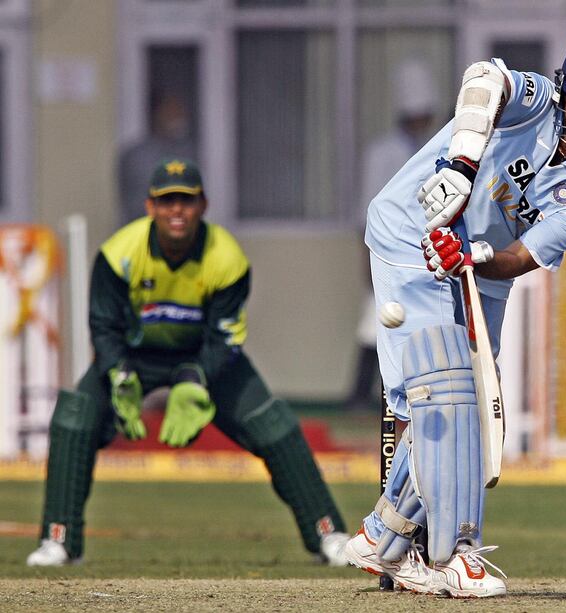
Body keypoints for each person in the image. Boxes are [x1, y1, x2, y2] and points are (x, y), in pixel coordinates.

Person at [343, 36, 566, 597]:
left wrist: (476, 256)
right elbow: (484, 77)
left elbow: (520, 258)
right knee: (448, 387)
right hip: (412, 233)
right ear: (564, 92)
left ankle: (382, 536)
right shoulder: (534, 100)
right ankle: (456, 552)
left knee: (474, 402)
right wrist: (461, 167)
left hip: (476, 264)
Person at [26, 158, 349, 567]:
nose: (176, 211)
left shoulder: (226, 258)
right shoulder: (118, 254)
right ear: (150, 207)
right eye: (167, 201)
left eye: (186, 201)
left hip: (205, 359)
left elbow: (224, 336)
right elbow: (103, 326)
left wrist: (194, 378)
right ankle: (59, 540)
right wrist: (119, 372)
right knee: (75, 416)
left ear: (203, 205)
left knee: (274, 423)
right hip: (135, 357)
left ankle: (328, 533)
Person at [345, 59, 439, 410]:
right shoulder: (382, 152)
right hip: (386, 249)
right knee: (375, 321)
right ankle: (359, 395)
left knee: (418, 323)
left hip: (423, 250)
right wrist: (365, 257)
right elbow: (366, 211)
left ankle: (405, 394)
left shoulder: (434, 151)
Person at [117, 91, 197, 226]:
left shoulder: (186, 152)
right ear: (156, 114)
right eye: (171, 112)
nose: (177, 118)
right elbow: (136, 204)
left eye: (179, 112)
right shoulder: (139, 156)